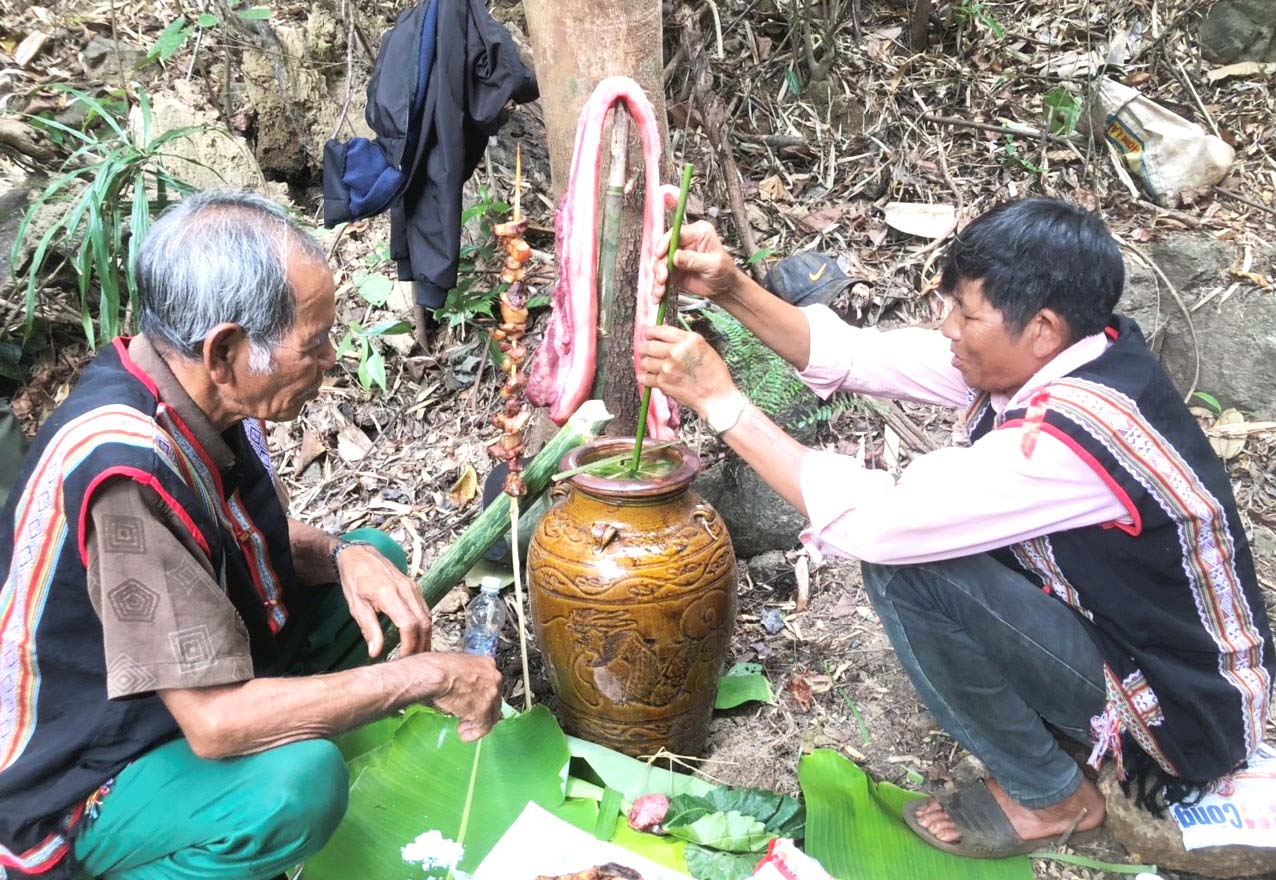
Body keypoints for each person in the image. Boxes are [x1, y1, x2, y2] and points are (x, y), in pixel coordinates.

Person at [638, 198, 1274, 858]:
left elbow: (877, 525)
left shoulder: (1069, 441)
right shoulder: (1072, 355)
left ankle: (1052, 796)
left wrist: (720, 402)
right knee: (946, 544)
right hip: (1125, 635)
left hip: (1190, 706)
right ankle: (1067, 731)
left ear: (1043, 330)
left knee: (909, 569)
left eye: (965, 314)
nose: (948, 329)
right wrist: (732, 287)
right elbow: (858, 356)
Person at [0, 191, 502, 880]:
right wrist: (425, 677)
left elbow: (226, 529)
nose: (331, 358)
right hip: (86, 774)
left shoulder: (192, 386)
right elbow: (214, 723)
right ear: (226, 351)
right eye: (314, 341)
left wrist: (342, 553)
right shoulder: (127, 473)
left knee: (373, 567)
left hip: (177, 682)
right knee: (296, 787)